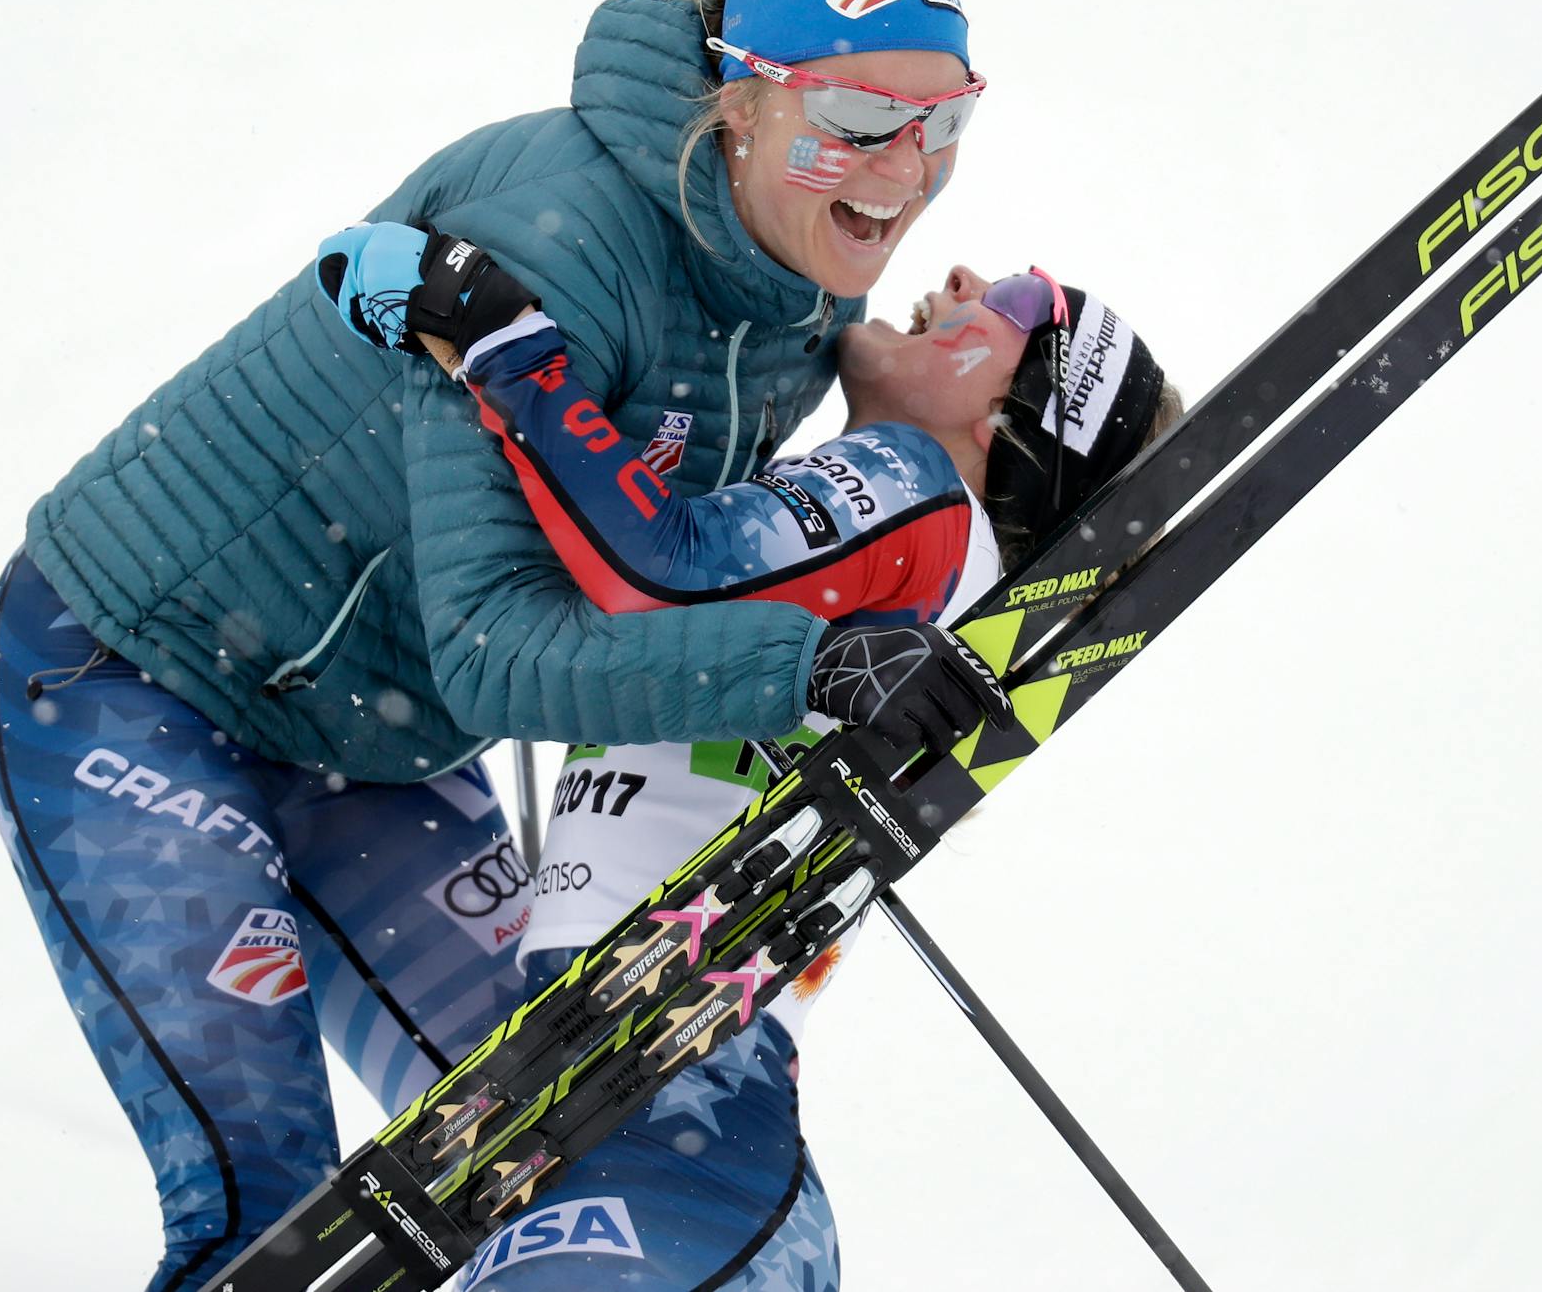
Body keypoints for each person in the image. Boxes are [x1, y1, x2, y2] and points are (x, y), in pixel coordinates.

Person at [0, 0, 1008, 1292]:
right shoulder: (557, 239)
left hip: (376, 744)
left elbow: (668, 563)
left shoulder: (795, 278)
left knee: (572, 1138)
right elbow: (502, 648)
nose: (902, 171)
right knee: (273, 1224)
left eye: (942, 120)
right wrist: (811, 666)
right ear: (743, 98)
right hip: (133, 680)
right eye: (852, 121)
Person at [314, 224, 1182, 1289]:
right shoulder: (916, 564)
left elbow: (660, 569)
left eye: (1013, 301)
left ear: (1014, 421)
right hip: (697, 1155)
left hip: (661, 1138)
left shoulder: (913, 484)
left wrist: (504, 341)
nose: (962, 277)